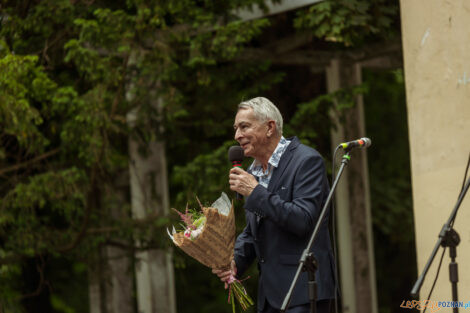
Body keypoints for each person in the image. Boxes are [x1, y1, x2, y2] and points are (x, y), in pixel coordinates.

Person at [213, 97, 335, 313]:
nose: (237, 136)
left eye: (244, 126)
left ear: (269, 127)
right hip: (270, 297)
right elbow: (253, 232)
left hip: (303, 291)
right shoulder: (253, 172)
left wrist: (255, 192)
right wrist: (235, 262)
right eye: (236, 128)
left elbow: (303, 220)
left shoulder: (306, 161)